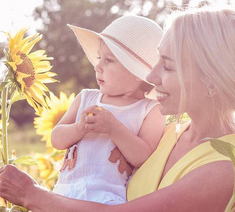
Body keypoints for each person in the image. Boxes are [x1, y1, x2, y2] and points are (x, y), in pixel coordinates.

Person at [0, 5, 235, 212]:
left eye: (166, 65)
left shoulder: (229, 169)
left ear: (211, 81)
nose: (151, 77)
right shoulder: (170, 131)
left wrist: (31, 195)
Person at [49, 14, 165, 205]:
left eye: (109, 60)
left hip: (106, 200)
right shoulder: (86, 98)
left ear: (137, 72)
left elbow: (142, 157)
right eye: (99, 58)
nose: (98, 66)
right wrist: (79, 128)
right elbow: (57, 139)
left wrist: (113, 128)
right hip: (64, 193)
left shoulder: (149, 110)